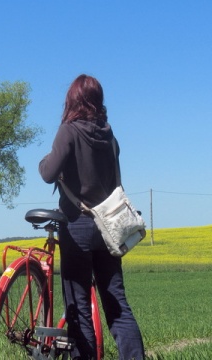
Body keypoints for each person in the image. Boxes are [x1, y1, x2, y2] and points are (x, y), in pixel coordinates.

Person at [38, 74, 145, 360]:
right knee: (117, 304)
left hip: (77, 225)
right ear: (98, 100)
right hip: (109, 227)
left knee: (79, 305)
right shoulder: (110, 136)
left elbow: (48, 173)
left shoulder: (68, 131)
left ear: (72, 100)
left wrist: (44, 162)